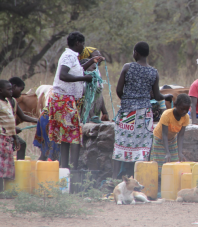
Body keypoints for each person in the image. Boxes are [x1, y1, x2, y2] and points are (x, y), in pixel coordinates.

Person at [112, 42, 172, 179]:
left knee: (120, 145)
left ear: (136, 53)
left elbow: (119, 90)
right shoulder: (153, 72)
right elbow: (157, 96)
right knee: (142, 147)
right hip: (144, 114)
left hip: (127, 112)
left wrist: (127, 99)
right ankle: (139, 179)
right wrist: (166, 96)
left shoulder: (127, 67)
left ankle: (114, 179)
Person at [49, 31, 103, 169]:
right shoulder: (69, 56)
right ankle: (72, 169)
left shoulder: (73, 56)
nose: (83, 47)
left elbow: (77, 71)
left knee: (66, 137)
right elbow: (63, 75)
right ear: (78, 43)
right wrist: (84, 78)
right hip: (63, 100)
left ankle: (65, 168)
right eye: (83, 44)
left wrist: (92, 61)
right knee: (73, 134)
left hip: (66, 99)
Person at [151, 94, 190, 177]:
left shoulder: (186, 117)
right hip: (160, 138)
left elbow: (181, 135)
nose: (184, 112)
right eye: (182, 109)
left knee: (174, 161)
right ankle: (159, 181)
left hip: (172, 139)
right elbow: (164, 134)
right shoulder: (167, 115)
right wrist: (167, 152)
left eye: (187, 110)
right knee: (161, 162)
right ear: (175, 105)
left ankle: (170, 180)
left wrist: (180, 152)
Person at [8, 77, 37, 160]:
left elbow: (23, 116)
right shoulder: (3, 102)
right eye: (20, 90)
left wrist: (39, 121)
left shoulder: (13, 101)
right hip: (4, 133)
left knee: (21, 144)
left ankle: (19, 169)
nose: (21, 94)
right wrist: (13, 129)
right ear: (14, 86)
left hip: (8, 132)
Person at [0, 80, 20, 191]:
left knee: (7, 165)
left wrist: (15, 136)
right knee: (1, 165)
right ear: (0, 90)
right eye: (9, 89)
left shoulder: (8, 102)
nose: (11, 91)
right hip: (1, 137)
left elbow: (11, 120)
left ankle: (6, 190)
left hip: (8, 138)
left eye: (11, 89)